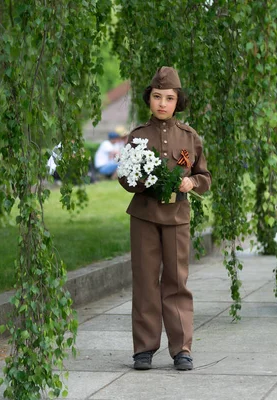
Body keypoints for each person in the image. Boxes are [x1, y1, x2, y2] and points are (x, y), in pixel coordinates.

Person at [118, 66, 211, 371]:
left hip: (177, 217)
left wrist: (192, 183)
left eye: (169, 98)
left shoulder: (189, 137)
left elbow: (204, 177)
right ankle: (143, 348)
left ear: (177, 100)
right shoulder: (137, 137)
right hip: (144, 216)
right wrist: (140, 180)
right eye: (157, 97)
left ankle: (181, 348)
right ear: (149, 99)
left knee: (176, 280)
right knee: (145, 280)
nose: (162, 103)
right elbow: (125, 177)